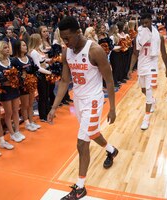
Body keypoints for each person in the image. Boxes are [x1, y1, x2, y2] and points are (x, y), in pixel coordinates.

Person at [48, 16, 118, 200]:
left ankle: (80, 187)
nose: (65, 41)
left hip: (94, 100)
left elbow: (109, 80)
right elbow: (64, 81)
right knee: (92, 132)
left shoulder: (95, 50)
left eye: (68, 37)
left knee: (81, 142)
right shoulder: (66, 52)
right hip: (78, 100)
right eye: (62, 38)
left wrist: (112, 108)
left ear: (78, 33)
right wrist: (54, 107)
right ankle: (111, 150)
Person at [128, 13, 167, 130]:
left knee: (149, 90)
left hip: (152, 65)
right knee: (143, 89)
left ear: (151, 21)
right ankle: (153, 101)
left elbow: (164, 53)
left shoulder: (158, 37)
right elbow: (135, 53)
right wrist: (130, 68)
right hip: (142, 65)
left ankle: (146, 119)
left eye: (147, 22)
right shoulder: (138, 37)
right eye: (143, 23)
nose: (145, 25)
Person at [0, 41, 25, 143]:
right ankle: (11, 133)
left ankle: (17, 130)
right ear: (0, 49)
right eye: (5, 48)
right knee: (8, 113)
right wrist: (4, 83)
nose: (7, 49)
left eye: (7, 47)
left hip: (14, 89)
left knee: (16, 110)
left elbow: (18, 73)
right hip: (5, 91)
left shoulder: (11, 60)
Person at [12, 39, 44, 131]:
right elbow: (14, 74)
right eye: (23, 45)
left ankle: (31, 121)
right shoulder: (14, 60)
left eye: (25, 45)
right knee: (24, 105)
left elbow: (34, 69)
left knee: (31, 104)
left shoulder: (29, 58)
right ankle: (26, 122)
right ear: (18, 47)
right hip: (22, 85)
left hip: (31, 84)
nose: (25, 47)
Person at [28, 33, 52, 122]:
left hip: (45, 74)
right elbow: (38, 67)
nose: (41, 40)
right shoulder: (33, 52)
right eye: (40, 39)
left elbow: (43, 60)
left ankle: (47, 112)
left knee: (46, 95)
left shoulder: (38, 49)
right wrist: (49, 72)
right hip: (40, 76)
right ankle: (43, 115)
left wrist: (51, 60)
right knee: (42, 96)